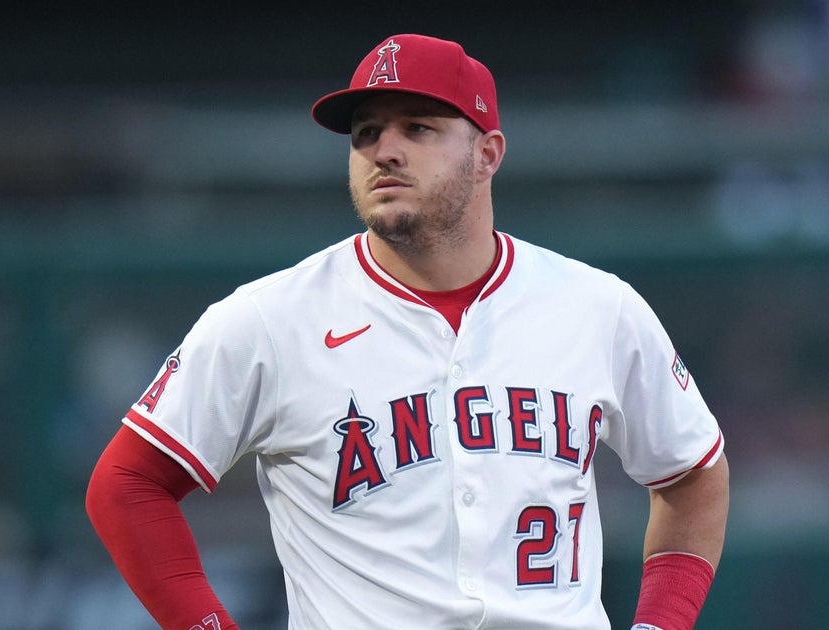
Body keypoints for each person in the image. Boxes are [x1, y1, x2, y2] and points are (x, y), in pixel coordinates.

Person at [86, 33, 729, 630]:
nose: (384, 151)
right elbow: (126, 485)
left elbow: (693, 474)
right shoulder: (269, 320)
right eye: (366, 133)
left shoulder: (597, 308)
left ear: (487, 154)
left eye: (417, 128)